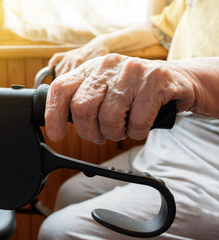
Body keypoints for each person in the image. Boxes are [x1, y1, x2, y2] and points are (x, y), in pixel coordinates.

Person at [39, 0, 219, 239]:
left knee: (58, 231)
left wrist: (186, 75)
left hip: (209, 146)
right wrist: (103, 44)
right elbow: (161, 29)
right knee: (71, 192)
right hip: (174, 131)